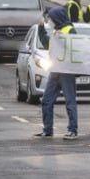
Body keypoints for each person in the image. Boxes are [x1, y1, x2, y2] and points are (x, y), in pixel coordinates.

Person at [34, 7, 79, 140]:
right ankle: (47, 129)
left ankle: (72, 130)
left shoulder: (70, 30)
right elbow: (48, 45)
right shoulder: (54, 30)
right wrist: (41, 29)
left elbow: (75, 48)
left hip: (66, 71)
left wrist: (62, 38)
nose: (49, 21)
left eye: (50, 18)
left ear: (57, 18)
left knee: (70, 101)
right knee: (47, 100)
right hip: (55, 70)